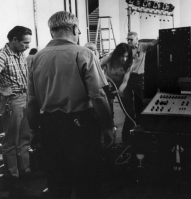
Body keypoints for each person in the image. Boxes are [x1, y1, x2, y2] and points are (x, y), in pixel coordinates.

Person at [27, 11, 115, 199]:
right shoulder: (84, 54)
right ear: (75, 29)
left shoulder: (36, 58)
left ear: (52, 32)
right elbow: (98, 96)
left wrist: (34, 129)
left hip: (49, 126)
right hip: (81, 127)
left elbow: (32, 101)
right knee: (88, 180)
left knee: (57, 182)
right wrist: (108, 126)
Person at [0, 26, 32, 192]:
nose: (27, 46)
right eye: (25, 43)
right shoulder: (2, 55)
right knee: (11, 141)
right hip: (12, 101)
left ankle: (24, 171)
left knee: (25, 138)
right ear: (14, 40)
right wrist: (3, 90)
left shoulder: (21, 54)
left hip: (25, 98)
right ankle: (12, 176)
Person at [100, 43, 135, 144]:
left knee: (130, 113)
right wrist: (104, 76)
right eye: (122, 56)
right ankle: (108, 140)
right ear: (117, 54)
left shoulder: (129, 63)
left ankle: (126, 137)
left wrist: (119, 91)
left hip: (121, 87)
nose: (124, 59)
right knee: (108, 113)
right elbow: (95, 68)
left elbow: (125, 81)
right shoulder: (108, 59)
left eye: (126, 56)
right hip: (107, 87)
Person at [126, 31, 159, 125]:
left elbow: (153, 43)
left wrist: (160, 37)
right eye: (128, 39)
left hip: (138, 77)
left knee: (139, 100)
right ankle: (131, 120)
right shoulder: (126, 49)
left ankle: (140, 122)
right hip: (127, 77)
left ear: (137, 39)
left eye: (131, 39)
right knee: (128, 101)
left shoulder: (142, 46)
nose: (129, 41)